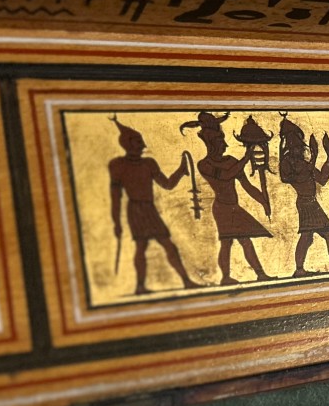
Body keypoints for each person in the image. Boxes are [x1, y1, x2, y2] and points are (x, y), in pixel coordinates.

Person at [108, 116, 198, 294]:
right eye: (138, 141)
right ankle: (140, 286)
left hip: (149, 209)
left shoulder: (148, 163)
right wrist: (116, 223)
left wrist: (180, 171)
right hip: (136, 210)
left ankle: (186, 281)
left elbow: (167, 184)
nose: (142, 145)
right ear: (128, 144)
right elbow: (115, 197)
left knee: (168, 245)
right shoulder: (118, 165)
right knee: (142, 246)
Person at [193, 111, 274, 285]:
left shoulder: (230, 160)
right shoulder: (205, 165)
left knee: (246, 241)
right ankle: (226, 277)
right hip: (222, 208)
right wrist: (246, 157)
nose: (225, 145)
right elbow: (226, 175)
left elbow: (247, 185)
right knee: (227, 242)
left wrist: (263, 201)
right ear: (212, 145)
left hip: (234, 207)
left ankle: (260, 274)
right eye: (220, 142)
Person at [278, 115, 329, 276]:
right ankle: (299, 269)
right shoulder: (288, 162)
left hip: (312, 203)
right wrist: (314, 157)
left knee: (325, 234)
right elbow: (293, 178)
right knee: (307, 236)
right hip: (304, 203)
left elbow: (322, 179)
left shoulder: (302, 162)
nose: (296, 144)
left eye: (297, 140)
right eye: (292, 140)